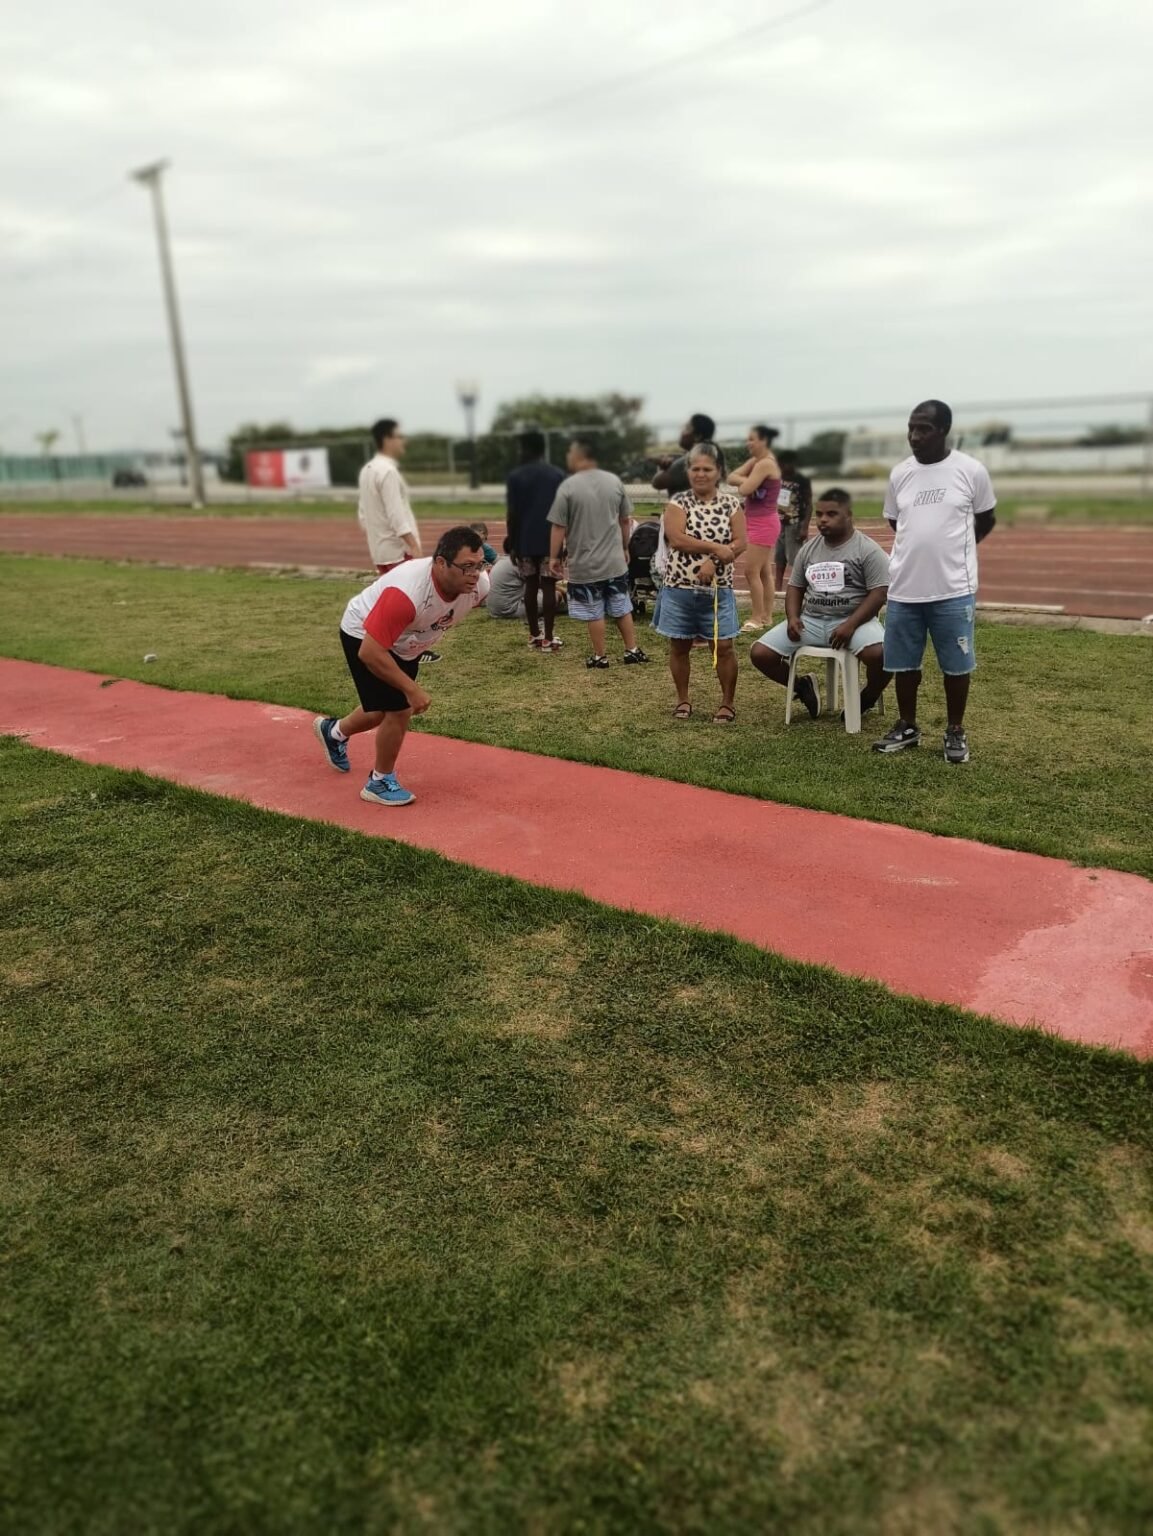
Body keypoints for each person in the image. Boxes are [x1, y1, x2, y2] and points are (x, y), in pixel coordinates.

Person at [313, 526, 491, 806]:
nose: (475, 574)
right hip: (365, 634)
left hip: (407, 641)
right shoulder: (407, 594)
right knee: (399, 708)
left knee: (378, 711)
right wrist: (412, 689)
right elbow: (370, 652)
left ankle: (333, 732)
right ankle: (379, 782)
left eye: (480, 565)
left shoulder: (478, 586)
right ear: (441, 563)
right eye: (467, 567)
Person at [872, 399, 997, 764]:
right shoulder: (900, 474)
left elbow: (985, 519)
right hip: (905, 588)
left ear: (943, 430)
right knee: (903, 663)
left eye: (923, 428)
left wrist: (954, 549)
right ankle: (907, 726)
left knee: (956, 665)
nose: (914, 436)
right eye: (911, 428)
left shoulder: (970, 471)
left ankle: (955, 730)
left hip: (952, 589)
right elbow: (897, 522)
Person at [750, 488, 890, 720]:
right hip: (812, 621)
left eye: (832, 514)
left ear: (849, 515)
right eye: (819, 514)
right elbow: (796, 587)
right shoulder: (809, 549)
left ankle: (868, 697)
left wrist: (851, 625)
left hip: (854, 620)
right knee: (761, 653)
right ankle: (802, 686)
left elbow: (879, 593)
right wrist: (793, 617)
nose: (823, 520)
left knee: (881, 655)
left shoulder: (867, 549)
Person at [654, 442, 747, 723]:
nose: (701, 474)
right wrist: (715, 548)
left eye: (707, 469)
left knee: (724, 647)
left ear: (718, 472)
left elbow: (741, 542)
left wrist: (714, 561)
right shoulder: (678, 502)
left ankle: (727, 703)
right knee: (679, 647)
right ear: (688, 471)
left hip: (718, 591)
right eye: (695, 469)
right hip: (679, 589)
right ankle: (683, 700)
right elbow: (677, 538)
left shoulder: (731, 503)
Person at [549, 436, 650, 669]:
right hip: (614, 560)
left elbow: (558, 526)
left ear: (578, 456)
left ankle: (600, 655)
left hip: (585, 563)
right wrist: (625, 547)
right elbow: (625, 519)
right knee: (621, 605)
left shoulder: (568, 487)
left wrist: (554, 556)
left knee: (594, 611)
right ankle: (632, 650)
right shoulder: (614, 481)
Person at [356, 419, 440, 664]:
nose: (403, 441)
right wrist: (412, 545)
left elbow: (363, 513)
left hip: (381, 548)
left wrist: (375, 536)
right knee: (406, 601)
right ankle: (404, 651)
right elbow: (396, 514)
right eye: (399, 437)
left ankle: (387, 647)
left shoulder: (368, 470)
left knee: (386, 600)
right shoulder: (388, 472)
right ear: (387, 439)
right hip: (397, 549)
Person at [506, 430, 565, 652]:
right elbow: (563, 512)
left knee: (530, 583)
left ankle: (533, 634)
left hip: (525, 539)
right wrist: (563, 543)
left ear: (525, 449)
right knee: (549, 585)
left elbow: (512, 513)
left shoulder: (516, 476)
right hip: (551, 538)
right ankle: (549, 637)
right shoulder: (557, 475)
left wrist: (512, 542)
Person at [728, 425, 781, 633]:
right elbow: (732, 477)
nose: (748, 443)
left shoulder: (765, 463)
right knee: (764, 571)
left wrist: (749, 482)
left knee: (751, 571)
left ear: (764, 441)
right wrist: (748, 480)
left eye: (752, 439)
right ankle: (766, 616)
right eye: (747, 439)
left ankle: (757, 617)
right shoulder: (756, 462)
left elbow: (744, 488)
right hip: (755, 520)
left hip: (764, 522)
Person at [650, 412, 728, 496]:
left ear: (697, 436)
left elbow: (657, 483)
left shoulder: (691, 461)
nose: (682, 432)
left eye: (686, 428)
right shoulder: (711, 455)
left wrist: (663, 468)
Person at [772, 449, 813, 593]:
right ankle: (777, 587)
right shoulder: (777, 478)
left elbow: (809, 504)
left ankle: (802, 587)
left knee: (795, 558)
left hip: (794, 523)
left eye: (784, 464)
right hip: (778, 522)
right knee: (779, 556)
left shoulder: (801, 480)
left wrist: (804, 527)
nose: (782, 467)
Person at [486, 540, 527, 621]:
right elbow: (539, 584)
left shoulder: (501, 561)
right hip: (510, 610)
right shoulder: (517, 562)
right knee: (552, 595)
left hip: (494, 610)